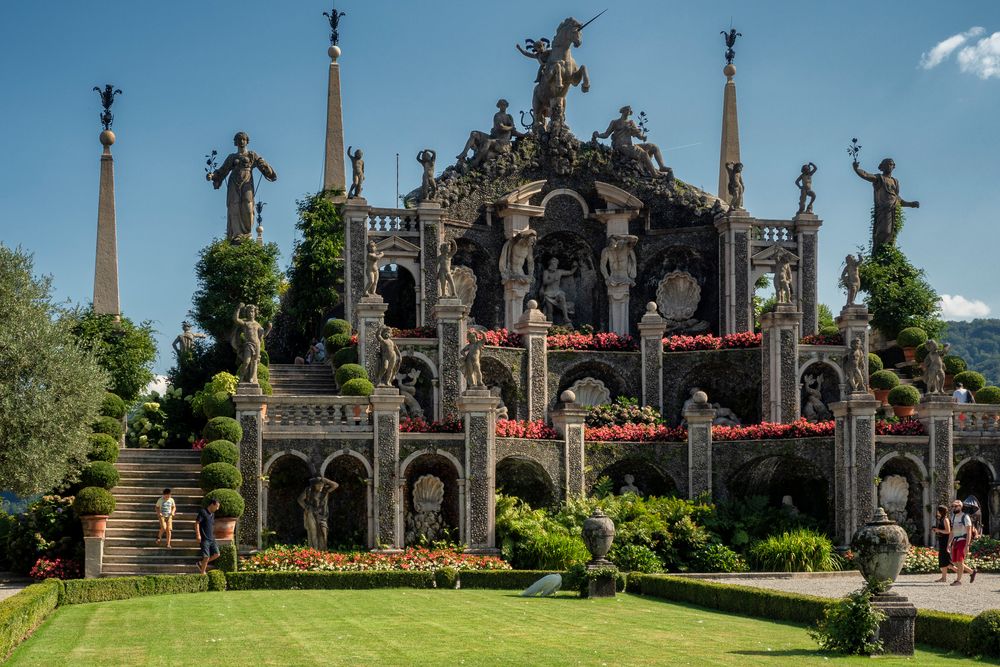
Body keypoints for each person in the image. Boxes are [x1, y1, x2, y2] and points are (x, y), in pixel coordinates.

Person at [948, 499, 977, 585]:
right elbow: (952, 532)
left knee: (960, 562)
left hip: (963, 541)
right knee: (955, 562)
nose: (953, 508)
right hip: (955, 541)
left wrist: (967, 545)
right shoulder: (953, 517)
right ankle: (972, 572)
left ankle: (958, 580)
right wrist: (949, 543)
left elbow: (969, 532)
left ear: (960, 507)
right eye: (952, 506)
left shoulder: (965, 517)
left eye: (955, 506)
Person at [196, 498, 221, 574]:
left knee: (217, 554)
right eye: (217, 506)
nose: (217, 508)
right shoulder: (203, 512)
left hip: (212, 538)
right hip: (204, 538)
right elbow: (196, 523)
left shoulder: (212, 514)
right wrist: (198, 535)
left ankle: (200, 563)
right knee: (206, 556)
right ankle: (202, 573)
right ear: (212, 504)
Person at [932, 505, 952, 582]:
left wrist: (938, 530)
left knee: (946, 560)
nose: (937, 512)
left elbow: (948, 531)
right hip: (942, 541)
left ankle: (963, 571)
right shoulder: (941, 519)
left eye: (938, 511)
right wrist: (937, 530)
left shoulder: (945, 519)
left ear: (941, 511)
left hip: (945, 541)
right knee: (943, 560)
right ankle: (943, 578)